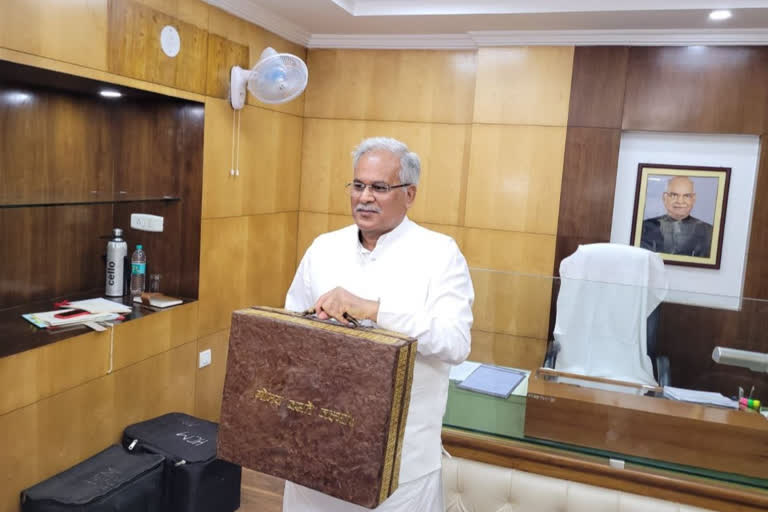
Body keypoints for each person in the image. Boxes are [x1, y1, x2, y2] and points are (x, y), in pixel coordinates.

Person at [283, 137, 474, 512]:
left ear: (410, 194)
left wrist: (373, 310)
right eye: (358, 185)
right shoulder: (323, 247)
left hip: (400, 469)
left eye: (379, 187)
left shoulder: (440, 254)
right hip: (316, 453)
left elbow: (455, 342)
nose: (364, 197)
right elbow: (291, 330)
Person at [640, 176, 713, 257]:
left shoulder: (709, 232)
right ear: (665, 198)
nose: (680, 201)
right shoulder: (644, 228)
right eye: (674, 195)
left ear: (693, 199)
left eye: (686, 196)